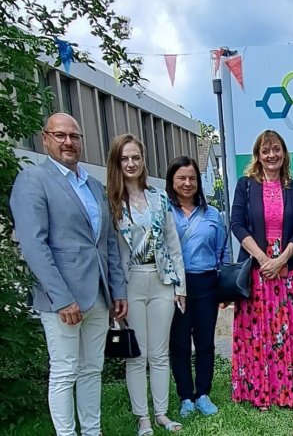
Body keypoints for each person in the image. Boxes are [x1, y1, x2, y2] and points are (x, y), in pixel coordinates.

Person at [10, 113, 127, 436]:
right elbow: (35, 246)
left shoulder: (92, 185)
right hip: (62, 300)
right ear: (45, 138)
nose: (68, 142)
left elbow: (107, 243)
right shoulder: (33, 180)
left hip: (99, 296)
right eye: (60, 135)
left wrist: (118, 290)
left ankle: (92, 431)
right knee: (64, 371)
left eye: (74, 136)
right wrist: (62, 298)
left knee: (92, 369)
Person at [230, 130, 293, 410]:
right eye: (266, 150)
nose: (272, 155)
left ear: (284, 153)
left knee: (290, 330)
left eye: (277, 149)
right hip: (256, 269)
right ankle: (261, 392)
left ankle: (292, 391)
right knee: (259, 331)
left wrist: (280, 259)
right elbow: (237, 223)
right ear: (257, 155)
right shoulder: (246, 185)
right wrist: (262, 258)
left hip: (289, 268)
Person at [105, 134, 186, 434]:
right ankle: (143, 418)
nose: (130, 163)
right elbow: (111, 252)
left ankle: (162, 413)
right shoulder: (111, 201)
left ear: (143, 160)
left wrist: (181, 287)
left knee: (159, 353)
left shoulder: (159, 197)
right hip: (130, 284)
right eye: (125, 158)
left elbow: (172, 244)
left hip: (162, 280)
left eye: (135, 157)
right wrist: (115, 293)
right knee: (136, 355)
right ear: (117, 162)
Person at [166, 156, 230, 418]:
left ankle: (203, 393)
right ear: (172, 181)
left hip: (206, 283)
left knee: (204, 342)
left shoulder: (212, 214)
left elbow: (222, 252)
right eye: (181, 178)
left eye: (192, 178)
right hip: (175, 285)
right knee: (179, 343)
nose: (187, 183)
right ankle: (185, 397)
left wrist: (223, 288)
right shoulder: (164, 212)